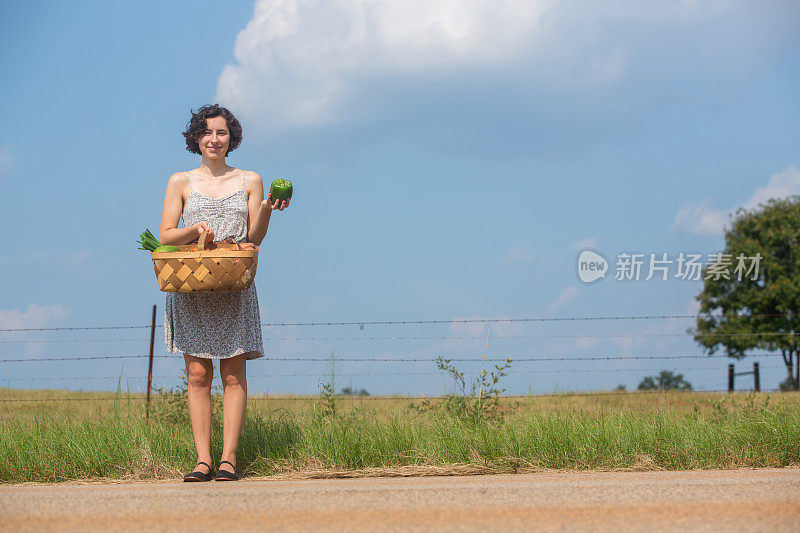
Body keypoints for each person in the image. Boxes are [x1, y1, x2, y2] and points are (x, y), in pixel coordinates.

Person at [158, 104, 289, 482]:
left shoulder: (250, 179)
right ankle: (203, 460)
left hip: (233, 285)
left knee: (233, 374)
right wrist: (195, 231)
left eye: (222, 133)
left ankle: (228, 459)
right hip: (194, 285)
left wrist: (265, 209)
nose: (215, 140)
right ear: (196, 138)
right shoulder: (179, 181)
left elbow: (254, 237)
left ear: (232, 139)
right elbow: (166, 235)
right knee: (198, 375)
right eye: (207, 132)